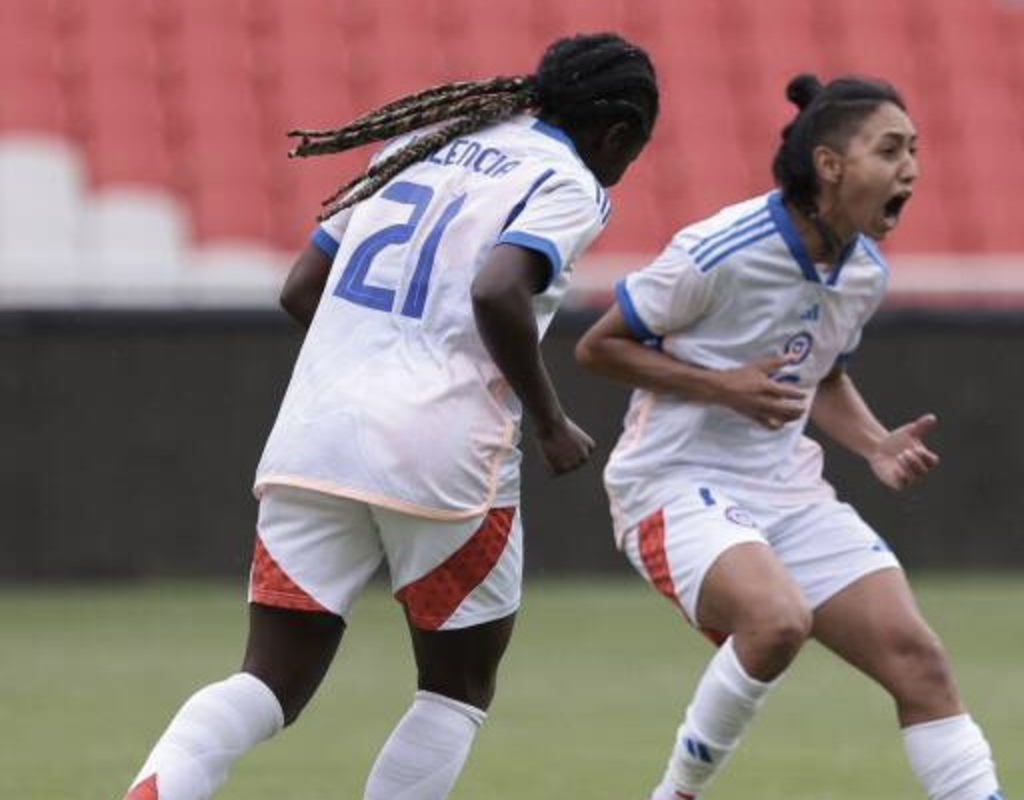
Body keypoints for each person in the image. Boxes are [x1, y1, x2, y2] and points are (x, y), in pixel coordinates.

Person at [121, 32, 658, 800]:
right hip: (446, 454)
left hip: (317, 435)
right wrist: (547, 420)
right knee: (456, 688)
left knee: (267, 682)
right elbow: (499, 289)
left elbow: (300, 287)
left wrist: (371, 363)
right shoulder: (569, 180)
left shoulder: (420, 144)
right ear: (618, 133)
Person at [575, 74, 1006, 800]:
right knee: (777, 622)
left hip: (786, 489)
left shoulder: (863, 271)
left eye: (916, 150)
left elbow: (821, 372)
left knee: (920, 664)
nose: (911, 168)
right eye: (891, 149)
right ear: (832, 165)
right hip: (674, 483)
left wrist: (873, 444)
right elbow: (598, 348)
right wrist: (723, 385)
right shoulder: (720, 248)